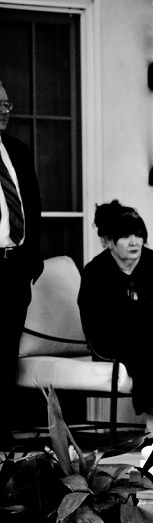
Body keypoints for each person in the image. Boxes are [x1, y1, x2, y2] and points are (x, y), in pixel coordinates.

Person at [78, 201, 153, 436]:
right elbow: (94, 322)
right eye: (125, 236)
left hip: (151, 335)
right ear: (107, 241)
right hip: (110, 340)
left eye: (138, 235)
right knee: (147, 345)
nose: (134, 242)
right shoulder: (95, 271)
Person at [0, 79, 43, 447]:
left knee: (6, 352)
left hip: (15, 267)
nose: (4, 110)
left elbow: (33, 206)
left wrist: (32, 260)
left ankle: (3, 433)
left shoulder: (18, 150)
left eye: (7, 104)